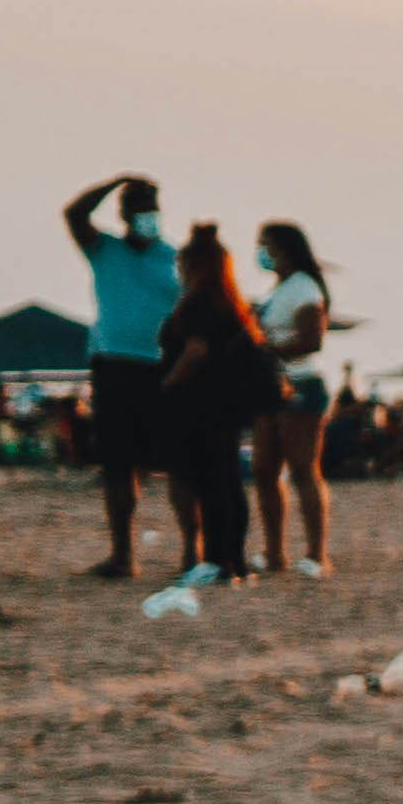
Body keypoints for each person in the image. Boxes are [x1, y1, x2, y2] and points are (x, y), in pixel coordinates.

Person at [58, 174, 181, 578]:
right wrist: (116, 182)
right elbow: (74, 213)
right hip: (114, 366)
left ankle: (194, 550)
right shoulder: (104, 249)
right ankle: (124, 554)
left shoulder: (174, 259)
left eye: (151, 208)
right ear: (125, 215)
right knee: (118, 462)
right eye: (139, 208)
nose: (147, 216)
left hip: (163, 366)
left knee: (179, 462)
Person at [156, 227, 278, 581]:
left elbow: (195, 351)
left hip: (199, 403)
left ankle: (217, 560)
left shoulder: (198, 303)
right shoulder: (230, 303)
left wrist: (166, 384)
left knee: (211, 483)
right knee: (226, 482)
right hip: (226, 404)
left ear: (194, 264)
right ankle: (232, 559)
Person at [249, 221, 341, 578]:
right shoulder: (281, 290)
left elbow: (312, 339)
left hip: (301, 384)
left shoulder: (304, 289)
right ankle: (274, 552)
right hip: (272, 387)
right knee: (264, 468)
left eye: (266, 245)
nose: (262, 252)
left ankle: (317, 553)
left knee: (303, 467)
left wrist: (270, 348)